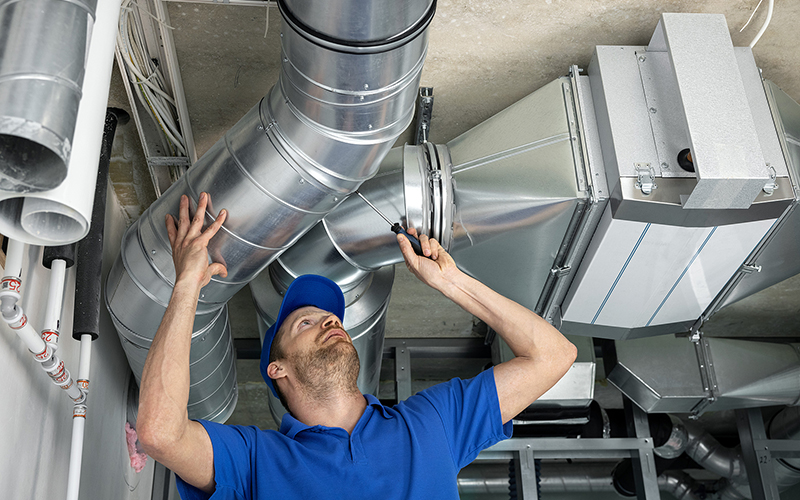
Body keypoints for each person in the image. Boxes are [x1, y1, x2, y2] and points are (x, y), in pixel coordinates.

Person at [137, 192, 577, 500]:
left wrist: (452, 281)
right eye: (305, 322)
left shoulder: (432, 424)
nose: (331, 319)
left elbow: (554, 355)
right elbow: (159, 434)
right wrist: (187, 286)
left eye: (330, 317)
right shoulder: (255, 460)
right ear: (278, 369)